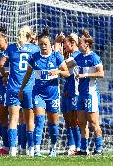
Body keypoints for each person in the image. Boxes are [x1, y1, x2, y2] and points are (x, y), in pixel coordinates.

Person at [19, 27, 70, 157]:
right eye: (41, 44)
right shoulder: (34, 57)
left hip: (52, 94)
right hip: (38, 93)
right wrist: (21, 88)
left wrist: (57, 72)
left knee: (53, 124)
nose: (43, 46)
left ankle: (53, 147)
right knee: (39, 119)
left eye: (45, 44)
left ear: (50, 44)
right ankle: (36, 150)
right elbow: (27, 75)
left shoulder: (56, 57)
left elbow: (67, 73)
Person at [0, 25, 39, 156]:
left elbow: (0, 65)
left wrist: (5, 75)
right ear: (29, 36)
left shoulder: (11, 48)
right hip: (29, 88)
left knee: (13, 119)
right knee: (29, 120)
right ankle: (30, 149)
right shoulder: (34, 49)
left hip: (13, 88)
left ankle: (13, 149)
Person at [66, 32, 104, 156]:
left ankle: (99, 149)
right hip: (81, 94)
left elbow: (101, 74)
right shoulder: (79, 57)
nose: (78, 45)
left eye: (80, 43)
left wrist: (85, 75)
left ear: (86, 44)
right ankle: (83, 149)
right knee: (81, 122)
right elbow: (67, 65)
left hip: (91, 93)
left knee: (93, 122)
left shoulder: (94, 57)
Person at [56, 32, 82, 155]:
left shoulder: (77, 56)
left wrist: (57, 48)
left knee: (75, 120)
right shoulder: (71, 55)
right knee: (68, 120)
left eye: (65, 43)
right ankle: (72, 145)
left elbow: (63, 66)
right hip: (68, 90)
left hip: (76, 92)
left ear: (72, 43)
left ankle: (79, 146)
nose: (64, 46)